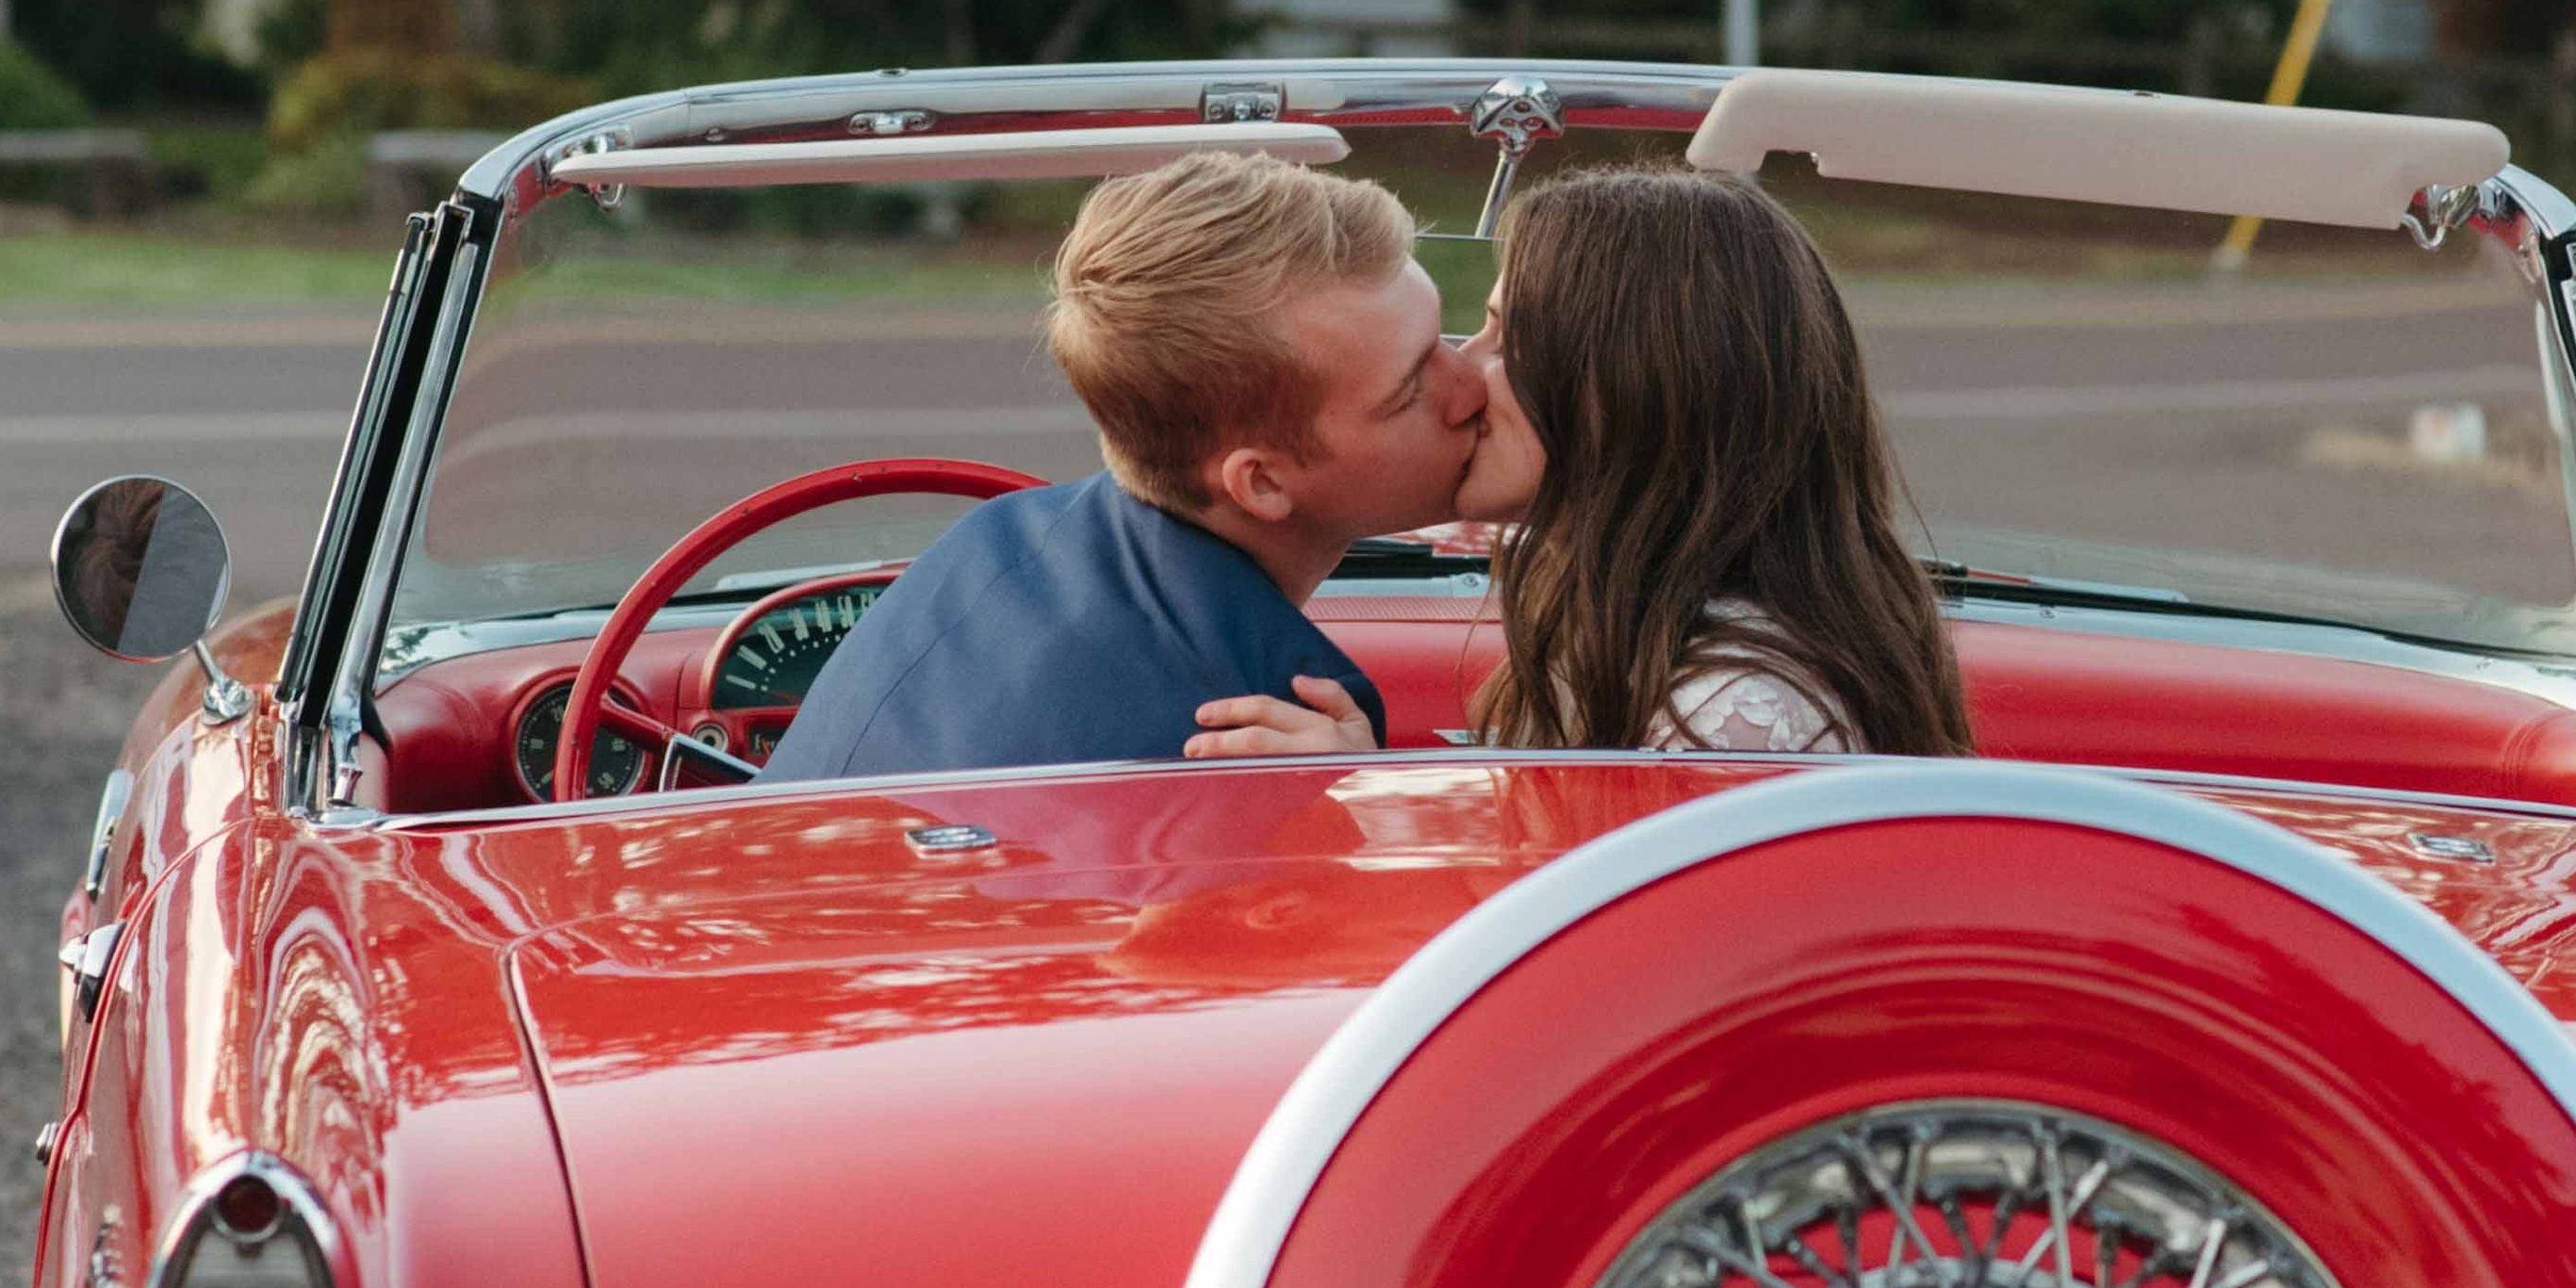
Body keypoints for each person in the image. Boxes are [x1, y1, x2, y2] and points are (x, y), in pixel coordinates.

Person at [1189, 164, 1972, 760]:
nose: (1463, 371)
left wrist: (1350, 808)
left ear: (1637, 392)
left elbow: (1617, 967)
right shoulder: (1596, 591)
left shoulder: (1731, 718)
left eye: (1510, 341)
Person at [763, 150, 1486, 781]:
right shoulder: (1252, 743)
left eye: (1443, 335)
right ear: (1260, 483)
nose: (1472, 387)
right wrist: (1341, 806)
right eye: (1409, 389)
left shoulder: (990, 546)